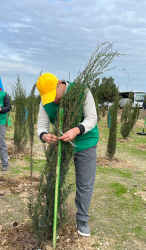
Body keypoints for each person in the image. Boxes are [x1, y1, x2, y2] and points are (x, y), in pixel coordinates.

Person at [36, 73, 99, 237]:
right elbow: (41, 126)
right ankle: (50, 213)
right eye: (48, 98)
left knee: (85, 182)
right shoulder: (44, 101)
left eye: (53, 96)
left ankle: (82, 218)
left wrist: (77, 130)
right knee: (52, 179)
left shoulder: (81, 91)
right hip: (60, 143)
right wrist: (44, 136)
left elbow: (92, 118)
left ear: (59, 84)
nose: (53, 101)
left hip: (85, 141)